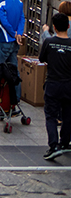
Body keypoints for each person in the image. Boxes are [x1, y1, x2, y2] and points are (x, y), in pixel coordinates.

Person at [38, 12, 71, 160]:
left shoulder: (49, 42)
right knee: (68, 115)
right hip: (69, 85)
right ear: (68, 27)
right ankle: (65, 142)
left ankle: (53, 145)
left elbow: (42, 58)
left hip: (52, 83)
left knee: (51, 116)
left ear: (54, 27)